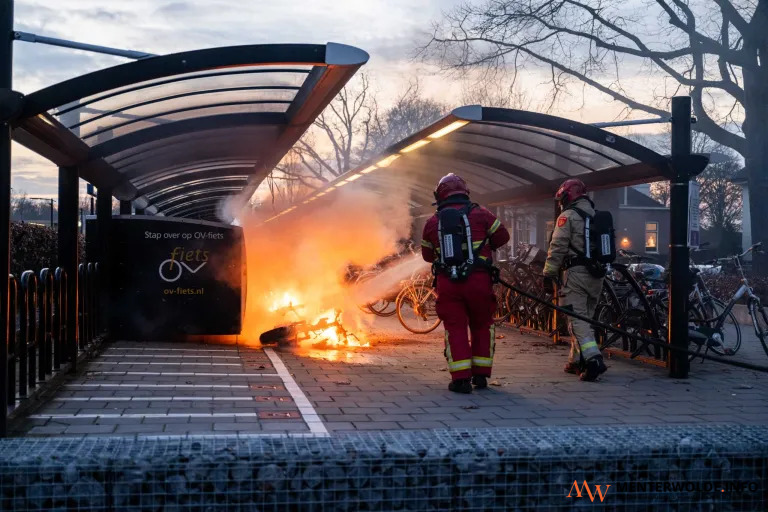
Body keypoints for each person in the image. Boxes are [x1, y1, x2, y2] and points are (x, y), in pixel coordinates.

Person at [421, 173, 510, 393]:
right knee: (482, 325)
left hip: (449, 284)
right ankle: (481, 376)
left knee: (455, 328)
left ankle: (460, 379)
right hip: (480, 281)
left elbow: (427, 255)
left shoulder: (433, 222)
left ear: (440, 195)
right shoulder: (482, 214)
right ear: (465, 192)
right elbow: (503, 236)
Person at [543, 178, 608, 382]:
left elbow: (558, 246)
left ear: (567, 196)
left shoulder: (568, 216)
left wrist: (549, 273)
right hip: (596, 276)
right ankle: (575, 360)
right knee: (586, 318)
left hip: (575, 275)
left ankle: (593, 359)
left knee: (576, 319)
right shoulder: (596, 216)